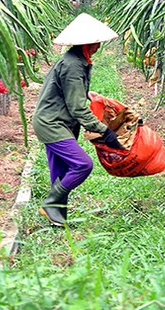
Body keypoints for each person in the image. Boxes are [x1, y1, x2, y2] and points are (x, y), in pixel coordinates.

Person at [32, 13, 124, 226]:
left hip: (55, 120)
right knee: (82, 165)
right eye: (97, 41)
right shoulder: (73, 65)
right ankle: (51, 204)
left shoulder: (77, 61)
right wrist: (104, 131)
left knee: (61, 171)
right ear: (89, 43)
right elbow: (77, 107)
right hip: (52, 123)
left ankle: (57, 218)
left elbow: (72, 96)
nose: (99, 45)